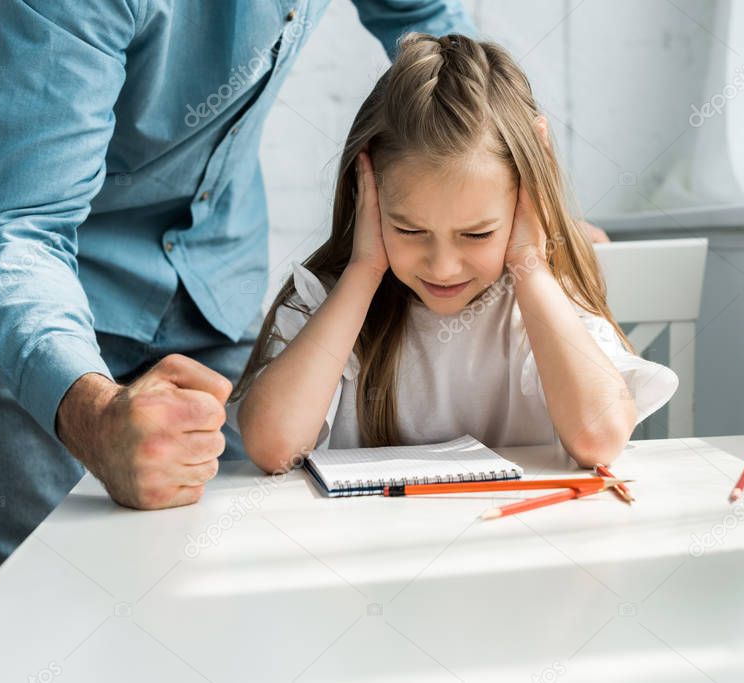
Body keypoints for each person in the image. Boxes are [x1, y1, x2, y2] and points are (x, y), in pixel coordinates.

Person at [0, 1, 488, 595]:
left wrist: (521, 189)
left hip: (212, 272)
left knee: (231, 591)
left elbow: (424, 13)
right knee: (41, 609)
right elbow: (25, 230)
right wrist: (92, 418)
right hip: (26, 299)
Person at [230, 33, 679, 473]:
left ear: (529, 193)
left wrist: (531, 267)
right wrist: (364, 270)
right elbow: (274, 447)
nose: (443, 267)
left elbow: (598, 439)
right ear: (368, 191)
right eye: (409, 229)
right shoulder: (326, 301)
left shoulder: (546, 304)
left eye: (477, 235)